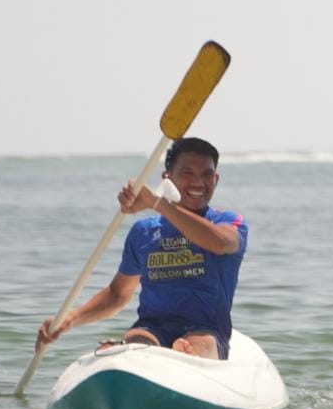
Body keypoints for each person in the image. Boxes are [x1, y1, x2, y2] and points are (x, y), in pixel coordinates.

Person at [37, 137, 246, 360]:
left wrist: (156, 203)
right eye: (188, 173)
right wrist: (70, 319)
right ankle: (134, 354)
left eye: (206, 174)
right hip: (152, 329)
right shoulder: (144, 231)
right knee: (137, 339)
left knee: (199, 344)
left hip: (206, 331)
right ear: (167, 177)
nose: (198, 183)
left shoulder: (228, 222)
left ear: (216, 179)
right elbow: (117, 295)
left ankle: (184, 355)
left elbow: (220, 243)